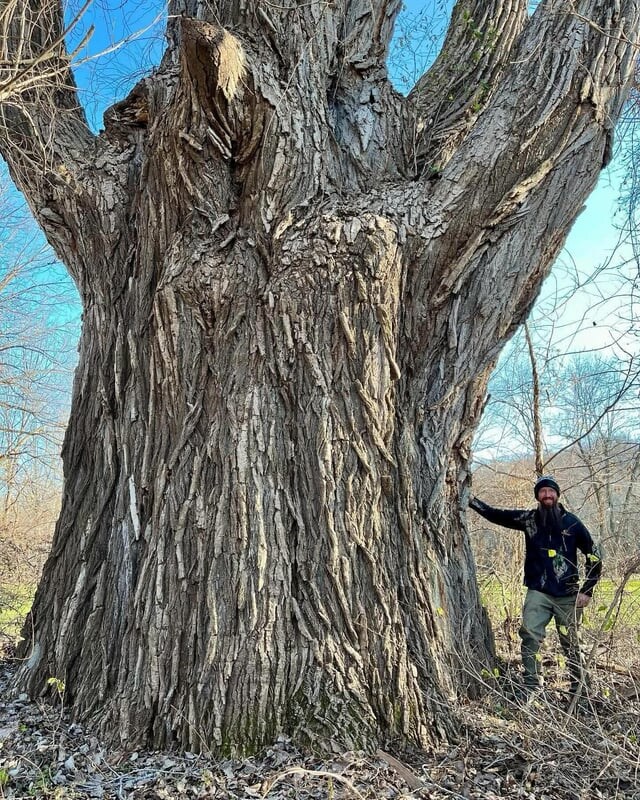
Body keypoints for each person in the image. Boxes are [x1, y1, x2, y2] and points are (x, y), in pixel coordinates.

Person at [468, 476, 602, 697]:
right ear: (537, 496)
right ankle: (532, 687)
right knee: (530, 635)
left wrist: (587, 590)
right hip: (538, 592)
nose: (547, 495)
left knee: (572, 644)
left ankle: (581, 693)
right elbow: (496, 515)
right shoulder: (529, 519)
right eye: (543, 492)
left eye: (551, 491)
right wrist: (471, 500)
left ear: (557, 495)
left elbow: (594, 556)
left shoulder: (573, 523)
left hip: (568, 594)